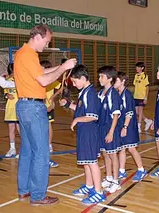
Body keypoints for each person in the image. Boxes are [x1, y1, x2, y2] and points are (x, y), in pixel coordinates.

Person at [14, 24, 77, 206]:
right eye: (47, 41)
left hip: (24, 106)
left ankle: (24, 190)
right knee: (41, 153)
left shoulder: (23, 53)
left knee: (27, 150)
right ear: (38, 37)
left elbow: (40, 72)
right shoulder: (29, 54)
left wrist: (61, 68)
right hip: (33, 108)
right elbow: (43, 80)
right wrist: (63, 67)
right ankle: (38, 196)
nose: (47, 46)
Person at [60, 65, 106, 205]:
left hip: (90, 132)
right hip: (83, 132)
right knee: (86, 162)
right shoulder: (84, 92)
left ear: (83, 78)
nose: (73, 85)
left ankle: (99, 192)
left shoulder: (90, 93)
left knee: (92, 162)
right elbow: (81, 110)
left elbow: (93, 116)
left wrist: (76, 119)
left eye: (75, 81)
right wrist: (68, 105)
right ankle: (89, 186)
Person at [114, 72, 147, 182]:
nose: (114, 82)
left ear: (123, 81)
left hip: (129, 126)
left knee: (132, 149)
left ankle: (141, 170)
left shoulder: (127, 95)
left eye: (116, 80)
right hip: (121, 125)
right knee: (122, 148)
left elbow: (129, 113)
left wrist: (125, 127)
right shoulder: (118, 94)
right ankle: (122, 171)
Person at [98, 66, 122, 193]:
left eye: (102, 76)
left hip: (110, 128)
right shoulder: (100, 93)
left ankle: (116, 181)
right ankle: (108, 177)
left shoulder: (113, 94)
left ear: (110, 78)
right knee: (105, 154)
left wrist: (111, 132)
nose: (99, 78)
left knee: (113, 155)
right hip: (101, 128)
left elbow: (116, 114)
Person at [40, 60, 61, 168]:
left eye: (43, 68)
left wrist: (52, 98)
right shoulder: (40, 79)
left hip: (48, 105)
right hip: (39, 105)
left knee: (48, 125)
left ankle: (48, 144)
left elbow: (61, 87)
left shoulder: (52, 79)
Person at [4, 63, 20, 157]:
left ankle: (24, 148)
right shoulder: (7, 81)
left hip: (19, 108)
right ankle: (12, 148)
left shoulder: (21, 80)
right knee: (11, 129)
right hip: (10, 108)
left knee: (20, 129)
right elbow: (5, 93)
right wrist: (7, 95)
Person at [133, 62, 153, 133]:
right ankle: (147, 121)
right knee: (136, 112)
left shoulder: (145, 76)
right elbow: (135, 86)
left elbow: (147, 87)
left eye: (138, 67)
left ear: (142, 68)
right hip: (136, 96)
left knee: (140, 111)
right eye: (136, 67)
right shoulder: (136, 76)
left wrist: (145, 98)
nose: (137, 68)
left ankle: (139, 126)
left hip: (142, 96)